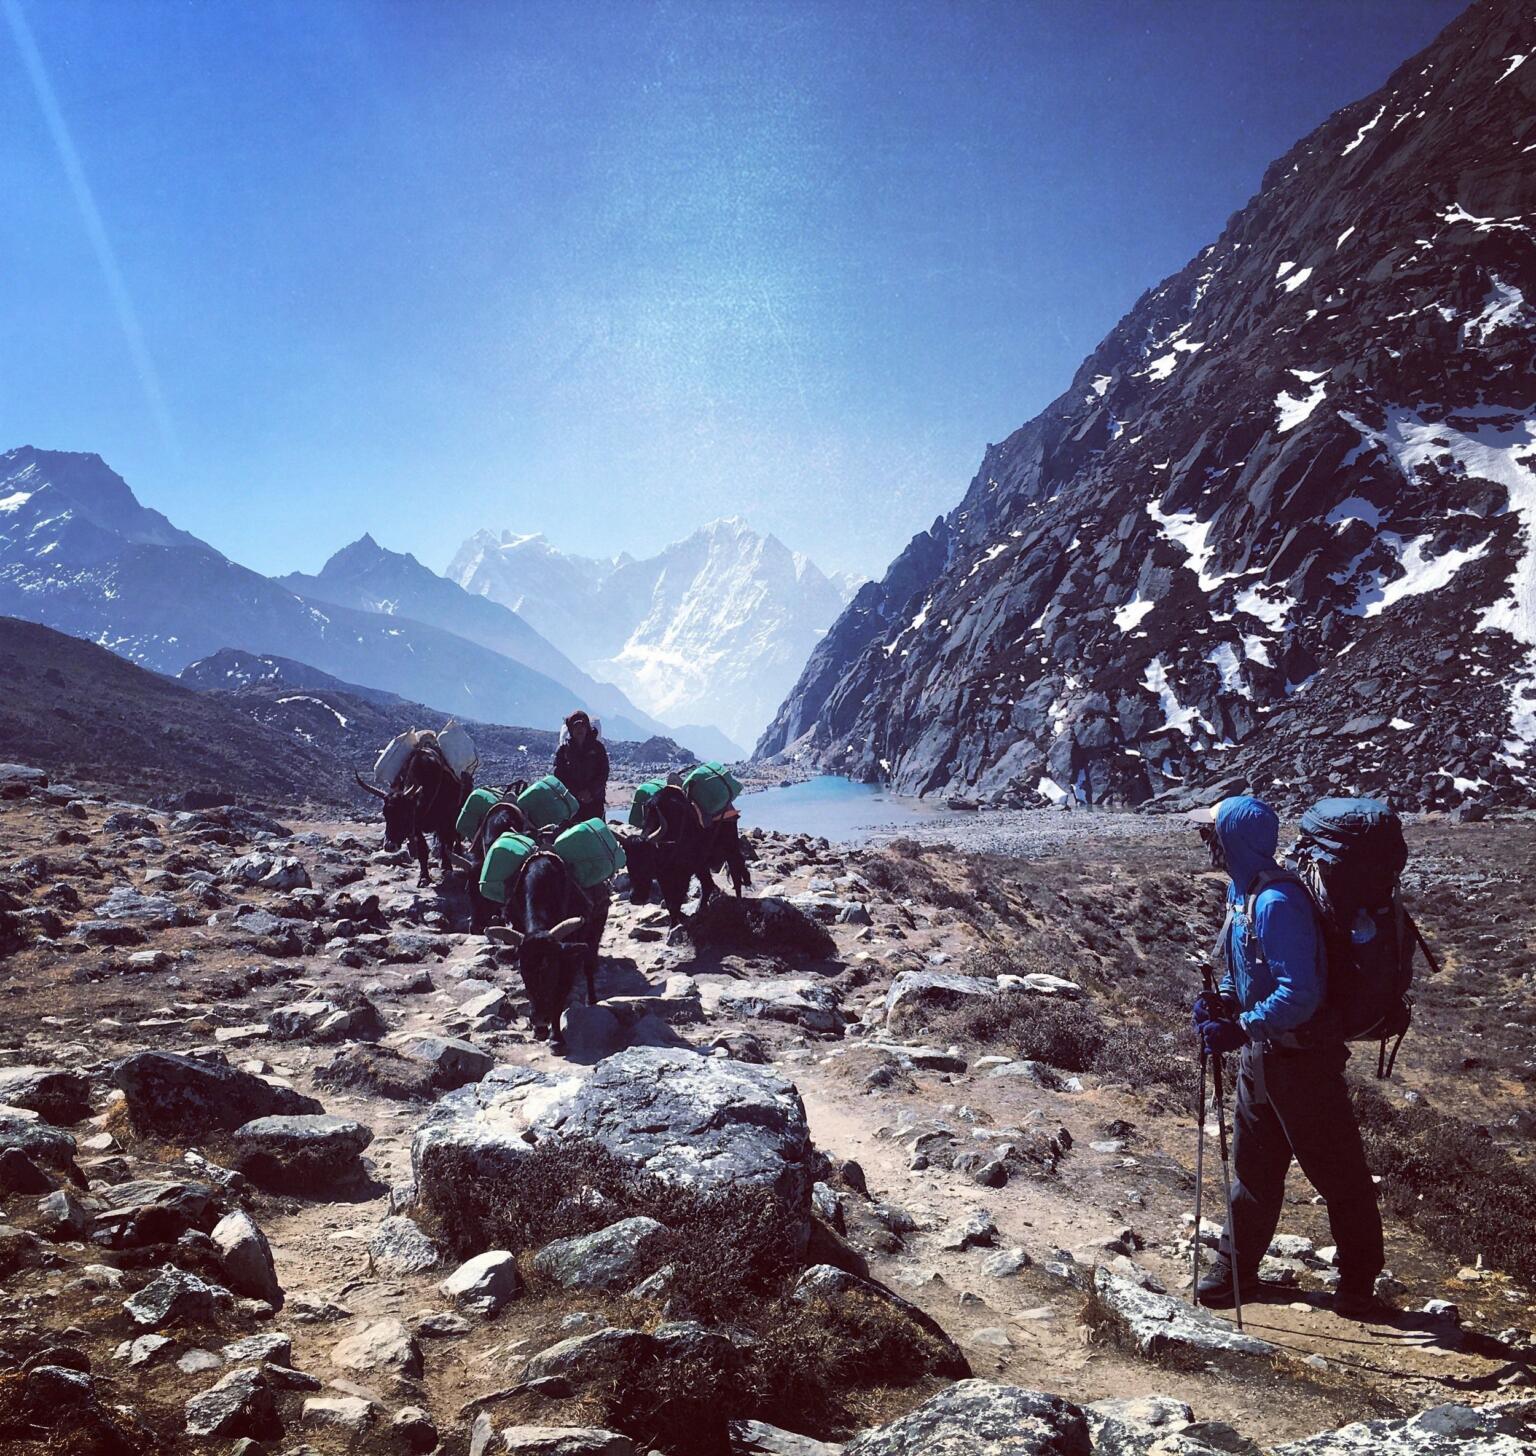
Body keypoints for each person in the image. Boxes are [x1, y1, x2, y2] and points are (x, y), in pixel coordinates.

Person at [1189, 795, 1385, 1320]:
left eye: (1211, 834)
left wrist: (1241, 1025)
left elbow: (1299, 993)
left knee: (1338, 1176)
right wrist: (1225, 1000)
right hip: (1265, 1059)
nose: (1204, 842)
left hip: (1303, 1063)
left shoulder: (1277, 902)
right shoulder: (1242, 891)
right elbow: (1244, 969)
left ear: (1235, 839)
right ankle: (1236, 1271)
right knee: (1254, 1169)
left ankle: (1359, 1285)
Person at [553, 710, 609, 821]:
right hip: (572, 803)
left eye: (582, 725)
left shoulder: (597, 748)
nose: (580, 729)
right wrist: (576, 793)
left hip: (595, 801)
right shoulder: (563, 751)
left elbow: (603, 773)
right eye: (576, 726)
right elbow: (559, 776)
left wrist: (591, 792)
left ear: (587, 727)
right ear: (570, 729)